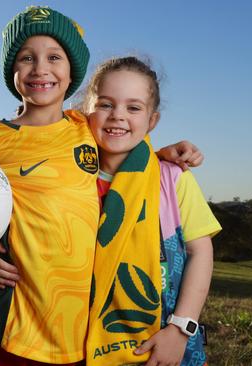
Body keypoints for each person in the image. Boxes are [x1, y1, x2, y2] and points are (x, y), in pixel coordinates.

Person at [0, 6, 204, 366]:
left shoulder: (83, 129)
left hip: (93, 333)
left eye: (54, 57)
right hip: (15, 321)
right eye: (26, 57)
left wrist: (162, 154)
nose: (40, 68)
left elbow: (125, 140)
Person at [82, 56, 220, 365]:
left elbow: (201, 252)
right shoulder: (72, 178)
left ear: (152, 121)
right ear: (85, 110)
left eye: (133, 108)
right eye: (105, 104)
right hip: (86, 342)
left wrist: (181, 329)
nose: (118, 116)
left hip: (163, 340)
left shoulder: (173, 178)